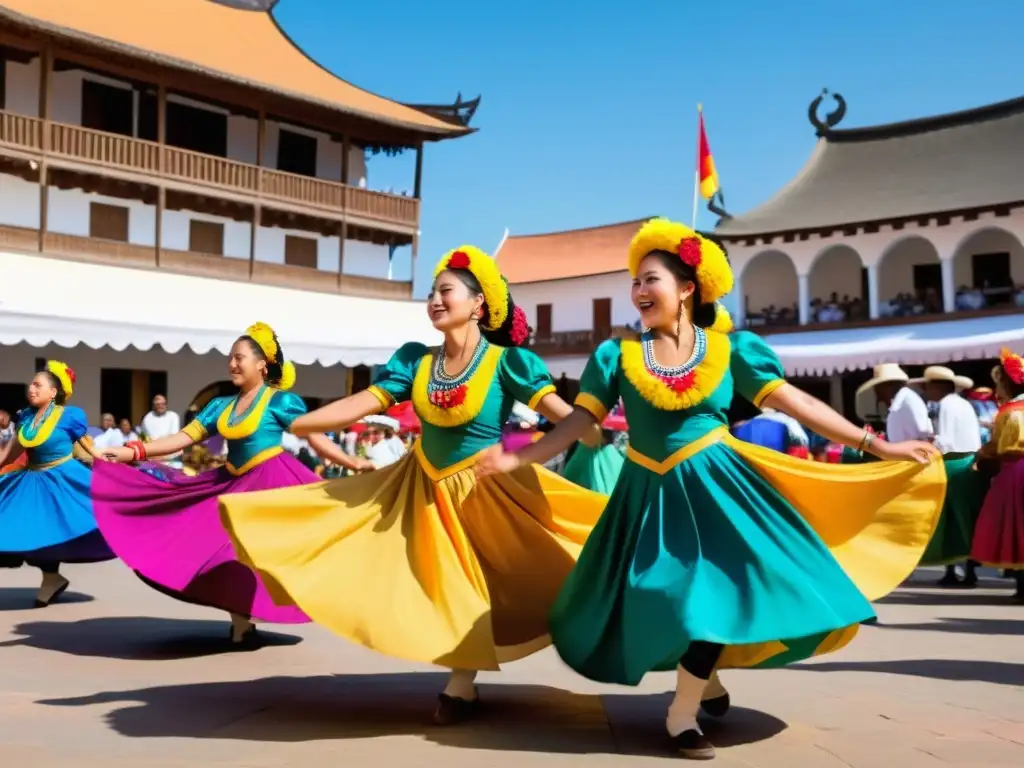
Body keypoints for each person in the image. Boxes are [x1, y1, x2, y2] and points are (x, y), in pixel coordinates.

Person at [476, 219, 945, 760]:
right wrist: (519, 454)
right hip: (647, 495)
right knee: (659, 597)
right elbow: (579, 425)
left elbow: (799, 404)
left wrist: (877, 444)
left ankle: (682, 713)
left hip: (719, 490)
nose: (640, 291)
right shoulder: (617, 356)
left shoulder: (731, 352)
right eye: (636, 282)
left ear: (687, 289)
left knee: (719, 592)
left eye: (651, 279)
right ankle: (706, 676)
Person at [218, 245, 607, 723]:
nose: (435, 300)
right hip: (422, 487)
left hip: (487, 489)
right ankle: (461, 684)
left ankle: (462, 682)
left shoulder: (508, 363)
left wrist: (556, 439)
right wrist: (304, 424)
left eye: (446, 291)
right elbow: (365, 400)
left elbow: (571, 423)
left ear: (477, 304)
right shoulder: (416, 362)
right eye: (431, 293)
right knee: (438, 578)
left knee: (507, 575)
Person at [92, 323, 374, 647]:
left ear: (261, 364)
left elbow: (314, 434)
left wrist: (352, 462)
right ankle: (241, 621)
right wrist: (132, 451)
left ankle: (268, 612)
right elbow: (184, 438)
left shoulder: (279, 402)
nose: (233, 364)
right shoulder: (221, 405)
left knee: (275, 552)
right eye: (230, 358)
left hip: (273, 485)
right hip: (231, 482)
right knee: (217, 549)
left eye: (239, 357)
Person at [0, 362, 114, 606]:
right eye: (31, 384)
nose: (31, 388)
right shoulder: (26, 419)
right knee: (23, 530)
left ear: (53, 392)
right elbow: (7, 455)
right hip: (32, 482)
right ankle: (52, 577)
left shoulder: (69, 416)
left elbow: (90, 449)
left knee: (60, 527)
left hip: (63, 479)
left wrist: (114, 467)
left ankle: (51, 578)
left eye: (38, 385)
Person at [913, 366, 986, 586]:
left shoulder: (945, 405)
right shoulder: (964, 403)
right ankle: (970, 569)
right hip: (971, 461)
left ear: (938, 386)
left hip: (953, 463)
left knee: (951, 520)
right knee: (970, 518)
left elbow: (945, 441)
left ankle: (952, 569)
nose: (926, 391)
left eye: (928, 386)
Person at [970, 349, 1024, 602]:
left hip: (1014, 470)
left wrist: (980, 454)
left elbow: (999, 446)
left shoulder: (1010, 411)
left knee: (1013, 526)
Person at [140, 394, 181, 466]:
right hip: (154, 457)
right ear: (153, 406)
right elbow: (145, 439)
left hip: (172, 457)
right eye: (158, 404)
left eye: (163, 404)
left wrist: (158, 442)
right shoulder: (147, 418)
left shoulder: (173, 416)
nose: (161, 406)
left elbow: (172, 437)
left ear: (166, 405)